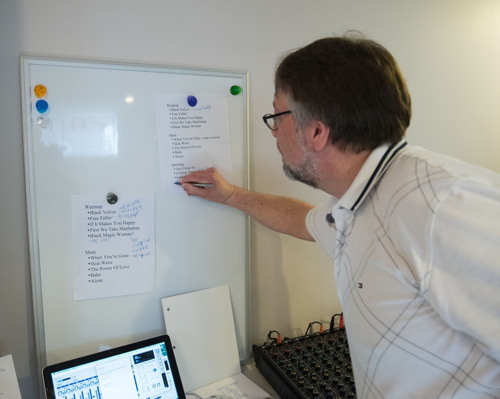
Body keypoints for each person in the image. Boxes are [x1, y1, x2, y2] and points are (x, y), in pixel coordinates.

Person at [179, 34, 500, 398]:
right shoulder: (360, 199)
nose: (274, 132)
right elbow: (305, 222)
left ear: (316, 131)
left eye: (277, 116)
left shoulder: (444, 204)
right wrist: (232, 195)